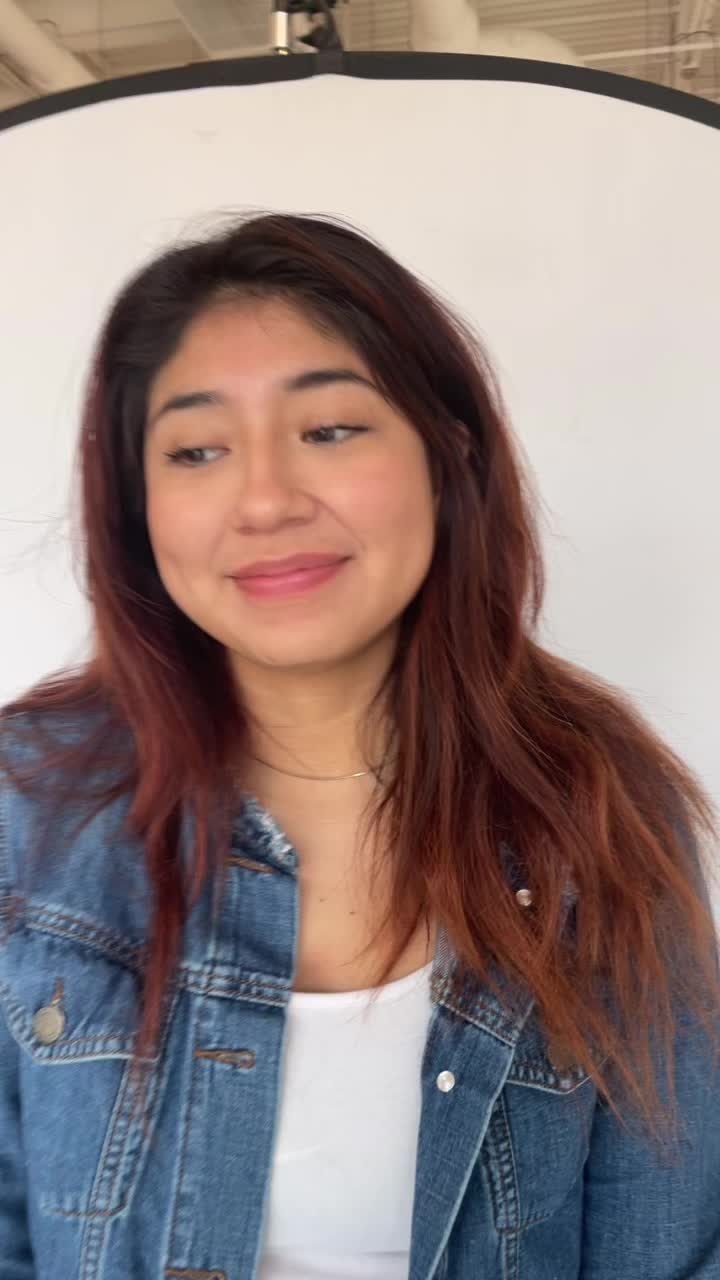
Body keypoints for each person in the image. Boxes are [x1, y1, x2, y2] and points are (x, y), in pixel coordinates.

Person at [0, 211, 718, 1280]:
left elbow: (667, 1248)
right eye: (197, 450)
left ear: (449, 454)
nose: (264, 500)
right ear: (138, 507)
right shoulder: (28, 806)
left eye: (330, 430)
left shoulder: (597, 804)